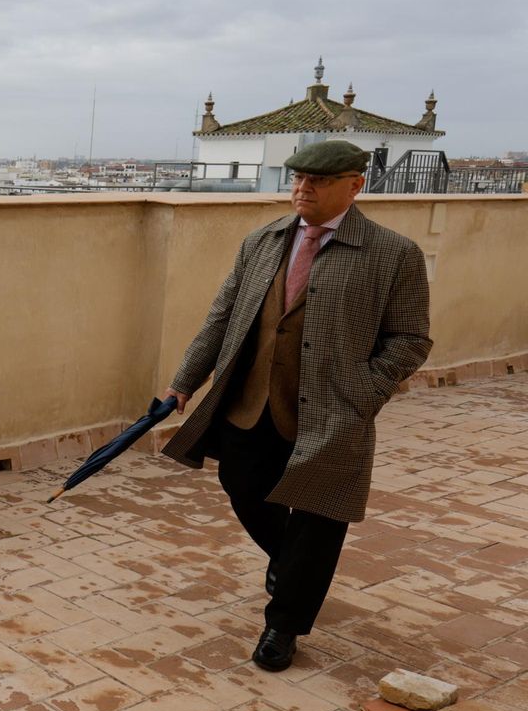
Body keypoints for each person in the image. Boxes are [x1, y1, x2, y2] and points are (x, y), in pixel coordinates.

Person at [160, 140, 431, 672]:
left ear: (355, 185)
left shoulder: (393, 254)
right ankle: (290, 566)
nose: (303, 188)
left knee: (318, 519)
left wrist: (364, 391)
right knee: (241, 485)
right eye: (299, 178)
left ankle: (284, 625)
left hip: (333, 413)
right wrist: (183, 382)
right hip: (253, 401)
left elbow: (411, 339)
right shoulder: (263, 240)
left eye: (320, 180)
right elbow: (221, 316)